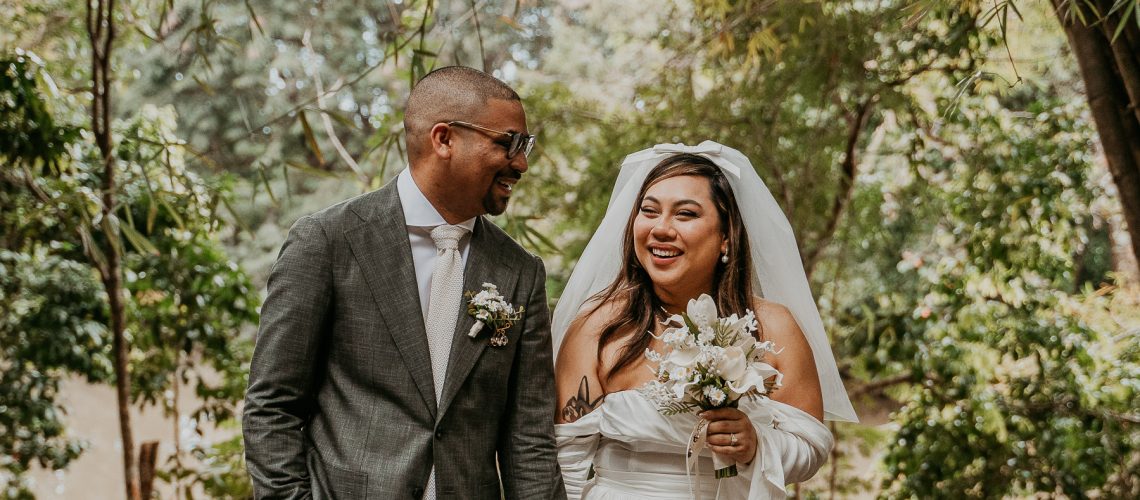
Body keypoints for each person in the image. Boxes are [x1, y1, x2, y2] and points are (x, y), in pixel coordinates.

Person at [243, 66, 565, 500]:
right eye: (507, 143)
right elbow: (272, 408)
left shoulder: (520, 270)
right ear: (444, 139)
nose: (521, 163)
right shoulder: (329, 241)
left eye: (524, 145)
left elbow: (529, 439)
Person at [552, 141, 858, 500]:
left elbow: (811, 446)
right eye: (649, 211)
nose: (661, 228)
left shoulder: (772, 326)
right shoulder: (599, 325)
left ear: (726, 237)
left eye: (686, 214)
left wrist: (755, 444)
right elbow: (566, 462)